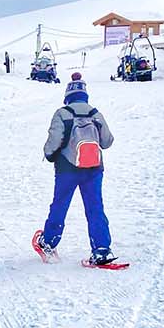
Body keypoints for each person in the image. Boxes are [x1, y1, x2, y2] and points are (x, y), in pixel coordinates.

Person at [35, 73, 116, 266]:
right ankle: (102, 250)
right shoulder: (96, 114)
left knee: (60, 205)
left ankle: (49, 242)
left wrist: (48, 154)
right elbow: (108, 141)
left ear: (68, 95)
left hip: (67, 169)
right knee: (95, 208)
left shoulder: (62, 114)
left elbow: (53, 142)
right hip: (94, 169)